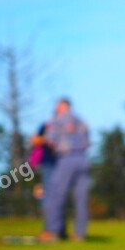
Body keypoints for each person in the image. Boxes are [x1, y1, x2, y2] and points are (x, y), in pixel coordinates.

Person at [40, 98, 90, 242]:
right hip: (83, 160)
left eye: (57, 107)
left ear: (62, 107)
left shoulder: (56, 121)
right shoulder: (81, 121)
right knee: (81, 199)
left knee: (56, 195)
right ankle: (80, 234)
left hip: (66, 159)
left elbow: (50, 141)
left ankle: (53, 232)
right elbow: (87, 141)